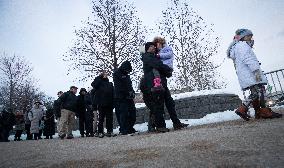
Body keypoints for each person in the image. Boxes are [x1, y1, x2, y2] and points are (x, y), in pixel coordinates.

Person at [227, 28, 282, 120]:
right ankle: (261, 111)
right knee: (260, 91)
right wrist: (256, 71)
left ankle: (257, 112)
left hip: (246, 74)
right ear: (243, 37)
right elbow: (249, 59)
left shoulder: (237, 47)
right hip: (252, 73)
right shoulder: (242, 46)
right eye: (249, 36)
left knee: (255, 93)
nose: (251, 38)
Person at [153, 37, 189, 130]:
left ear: (160, 43)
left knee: (168, 101)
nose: (156, 46)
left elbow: (169, 54)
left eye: (157, 44)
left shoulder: (165, 49)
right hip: (160, 76)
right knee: (166, 101)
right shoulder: (155, 53)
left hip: (163, 73)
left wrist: (158, 56)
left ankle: (175, 123)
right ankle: (165, 124)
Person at [141, 42, 173, 133]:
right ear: (147, 48)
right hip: (153, 85)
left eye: (154, 47)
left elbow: (159, 66)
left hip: (157, 84)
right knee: (157, 105)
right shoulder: (147, 56)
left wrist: (167, 72)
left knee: (158, 105)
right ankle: (160, 126)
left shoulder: (152, 56)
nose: (154, 48)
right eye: (151, 46)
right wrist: (167, 70)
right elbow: (158, 65)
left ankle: (154, 126)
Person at [113, 61, 137, 135]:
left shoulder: (127, 75)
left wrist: (132, 92)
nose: (128, 72)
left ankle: (130, 127)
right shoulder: (117, 74)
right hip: (121, 97)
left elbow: (130, 85)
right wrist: (127, 92)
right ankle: (124, 129)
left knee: (133, 113)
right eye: (127, 70)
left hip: (129, 97)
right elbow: (118, 87)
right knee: (124, 113)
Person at [92, 71, 116, 138]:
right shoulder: (98, 83)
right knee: (101, 119)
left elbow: (113, 94)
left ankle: (109, 131)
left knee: (110, 119)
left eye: (106, 74)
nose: (106, 75)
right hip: (101, 104)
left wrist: (113, 104)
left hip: (109, 104)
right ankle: (100, 132)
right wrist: (100, 76)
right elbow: (94, 84)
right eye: (104, 74)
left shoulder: (110, 84)